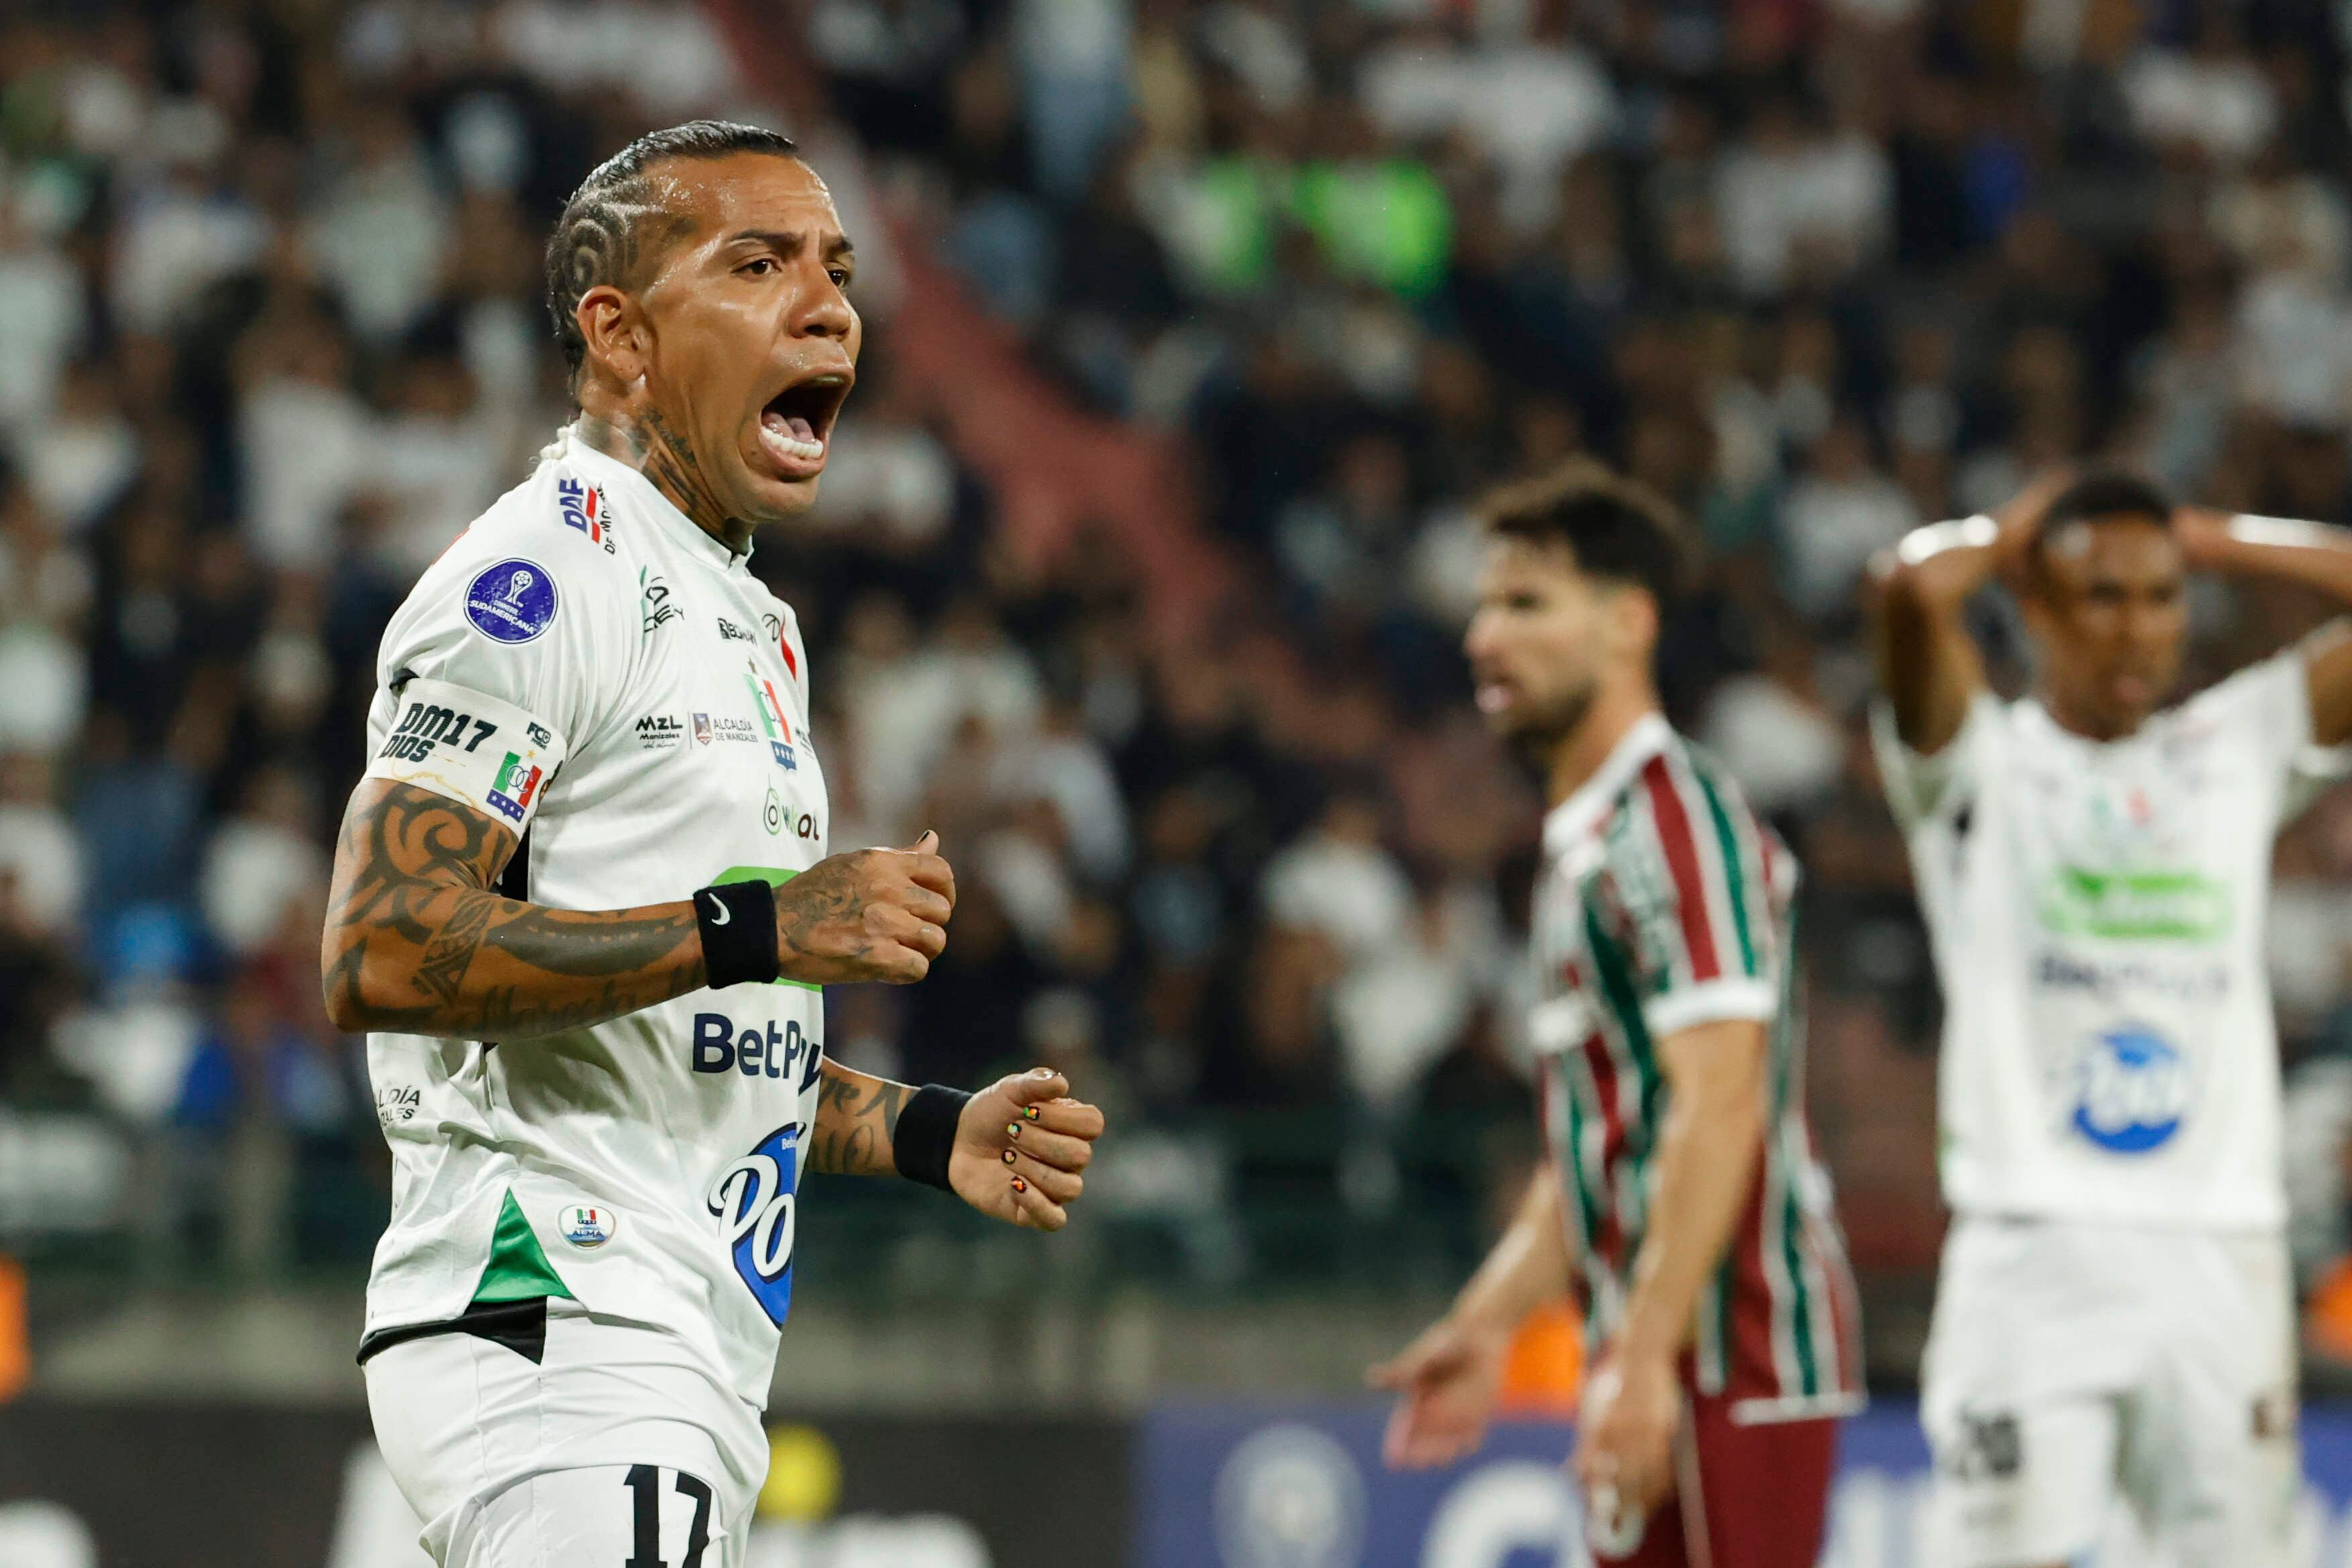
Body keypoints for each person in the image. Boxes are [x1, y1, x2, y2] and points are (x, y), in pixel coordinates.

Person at [320, 121, 1106, 1567]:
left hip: (676, 1344)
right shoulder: (543, 575)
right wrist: (759, 922)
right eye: (759, 264)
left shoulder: (746, 618)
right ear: (620, 337)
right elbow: (379, 944)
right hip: (555, 1313)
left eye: (838, 270)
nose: (828, 306)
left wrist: (925, 1131)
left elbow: (690, 1039)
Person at [1371, 462, 1863, 1567]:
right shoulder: (1583, 844)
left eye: (1527, 604)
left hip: (1734, 1356)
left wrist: (1643, 1360)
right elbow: (1596, 1150)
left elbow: (1719, 1101)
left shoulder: (1673, 829)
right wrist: (1490, 1319)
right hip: (1660, 1349)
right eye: (1484, 607)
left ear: (1628, 621)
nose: (1485, 638)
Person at [1869, 468, 2352, 1567]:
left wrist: (2217, 534)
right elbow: (1907, 592)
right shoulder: (1973, 763)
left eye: (2164, 597)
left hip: (2219, 1247)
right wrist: (2008, 533)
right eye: (2102, 598)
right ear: (2034, 610)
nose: (2140, 632)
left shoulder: (2234, 745)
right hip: (2031, 1250)